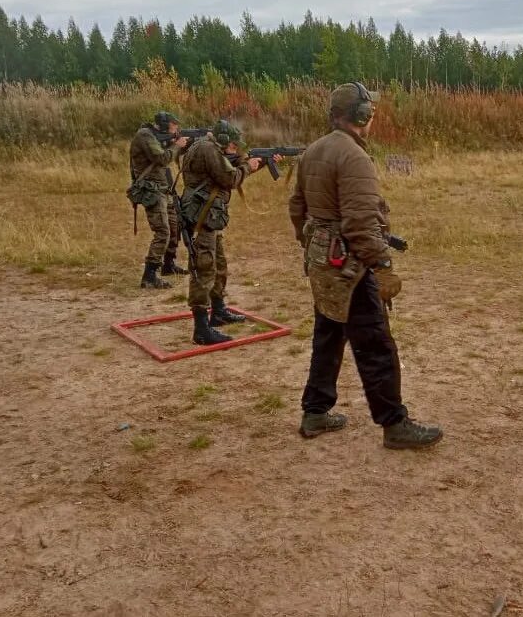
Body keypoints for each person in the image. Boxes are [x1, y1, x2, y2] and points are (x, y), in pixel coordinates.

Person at [288, 82, 443, 450]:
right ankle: (394, 424)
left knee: (328, 334)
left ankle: (315, 411)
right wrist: (382, 263)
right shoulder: (354, 156)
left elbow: (297, 208)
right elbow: (359, 223)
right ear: (362, 115)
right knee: (376, 344)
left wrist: (312, 246)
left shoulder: (313, 150)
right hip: (349, 266)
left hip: (324, 261)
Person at [181, 120, 277, 344]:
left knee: (219, 265)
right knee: (203, 269)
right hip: (202, 217)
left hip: (209, 217)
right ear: (223, 140)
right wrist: (249, 166)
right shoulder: (207, 149)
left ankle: (218, 311)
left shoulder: (209, 147)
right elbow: (229, 178)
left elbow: (229, 170)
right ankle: (201, 329)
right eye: (233, 146)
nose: (235, 150)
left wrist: (258, 164)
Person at [129, 111, 189, 289]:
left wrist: (186, 143)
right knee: (163, 231)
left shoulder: (155, 137)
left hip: (164, 189)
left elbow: (171, 151)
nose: (175, 129)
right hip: (152, 190)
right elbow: (162, 158)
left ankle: (168, 265)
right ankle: (149, 275)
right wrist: (177, 145)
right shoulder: (145, 136)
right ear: (163, 126)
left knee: (174, 225)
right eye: (173, 126)